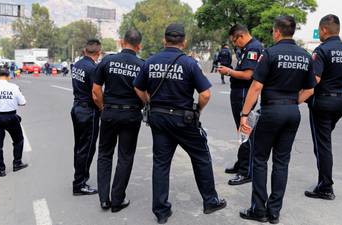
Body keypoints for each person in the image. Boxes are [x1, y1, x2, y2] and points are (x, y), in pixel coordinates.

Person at [134, 23, 226, 224]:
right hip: (184, 119)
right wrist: (198, 111)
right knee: (201, 157)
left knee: (161, 163)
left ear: (164, 40)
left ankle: (161, 211)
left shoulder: (150, 62)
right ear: (183, 42)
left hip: (158, 118)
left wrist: (149, 102)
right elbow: (205, 94)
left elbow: (138, 89)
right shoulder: (190, 63)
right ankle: (210, 201)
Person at [238, 16, 316, 224]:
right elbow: (309, 89)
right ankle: (274, 212)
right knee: (282, 162)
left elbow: (256, 87)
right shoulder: (305, 56)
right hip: (292, 112)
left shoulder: (270, 53)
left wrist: (244, 115)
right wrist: (291, 103)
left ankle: (258, 210)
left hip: (271, 111)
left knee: (260, 159)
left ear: (277, 32)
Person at [305, 14, 342, 200]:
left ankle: (326, 187)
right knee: (324, 142)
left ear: (324, 30)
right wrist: (337, 84)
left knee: (322, 146)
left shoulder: (321, 51)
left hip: (322, 103)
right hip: (340, 103)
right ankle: (324, 182)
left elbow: (315, 80)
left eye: (320, 30)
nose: (319, 33)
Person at [92, 29, 144, 213]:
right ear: (139, 45)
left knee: (105, 154)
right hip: (131, 115)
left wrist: (103, 107)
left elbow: (96, 91)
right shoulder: (141, 64)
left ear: (122, 42)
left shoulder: (107, 60)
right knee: (125, 157)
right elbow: (145, 94)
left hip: (109, 113)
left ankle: (104, 199)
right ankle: (117, 199)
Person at [217, 24, 263, 185]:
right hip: (239, 92)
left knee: (245, 131)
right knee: (241, 130)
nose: (235, 44)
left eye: (235, 41)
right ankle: (242, 162)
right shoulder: (248, 48)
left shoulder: (253, 48)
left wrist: (228, 71)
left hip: (244, 93)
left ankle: (246, 171)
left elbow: (248, 75)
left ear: (241, 36)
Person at [0, 68, 28, 177]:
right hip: (11, 116)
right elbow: (23, 102)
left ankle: (1, 170)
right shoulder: (14, 87)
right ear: (8, 76)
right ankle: (17, 163)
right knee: (18, 140)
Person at [70, 39, 102, 196]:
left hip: (76, 108)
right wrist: (102, 108)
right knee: (87, 148)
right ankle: (79, 183)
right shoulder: (92, 68)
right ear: (98, 53)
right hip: (88, 111)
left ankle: (79, 178)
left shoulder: (77, 65)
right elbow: (96, 94)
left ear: (85, 50)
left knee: (79, 146)